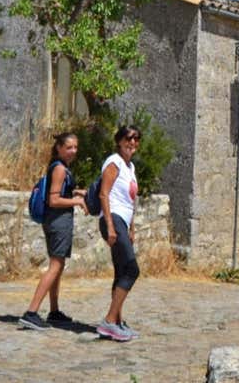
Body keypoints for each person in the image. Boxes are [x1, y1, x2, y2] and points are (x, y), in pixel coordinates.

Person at [19, 133, 88, 330]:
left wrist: (76, 192)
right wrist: (77, 201)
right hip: (58, 222)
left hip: (57, 221)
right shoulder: (59, 168)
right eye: (69, 147)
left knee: (58, 265)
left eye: (75, 147)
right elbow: (53, 200)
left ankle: (54, 311)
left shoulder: (61, 168)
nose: (73, 151)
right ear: (58, 148)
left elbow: (59, 193)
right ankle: (31, 312)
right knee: (55, 266)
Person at [96, 125, 141, 342]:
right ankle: (109, 321)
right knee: (132, 269)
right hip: (112, 219)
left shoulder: (129, 167)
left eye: (136, 139)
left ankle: (117, 322)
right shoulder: (113, 162)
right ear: (119, 140)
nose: (132, 143)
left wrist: (131, 228)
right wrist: (111, 227)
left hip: (122, 221)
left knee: (122, 270)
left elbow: (130, 201)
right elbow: (104, 194)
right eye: (128, 138)